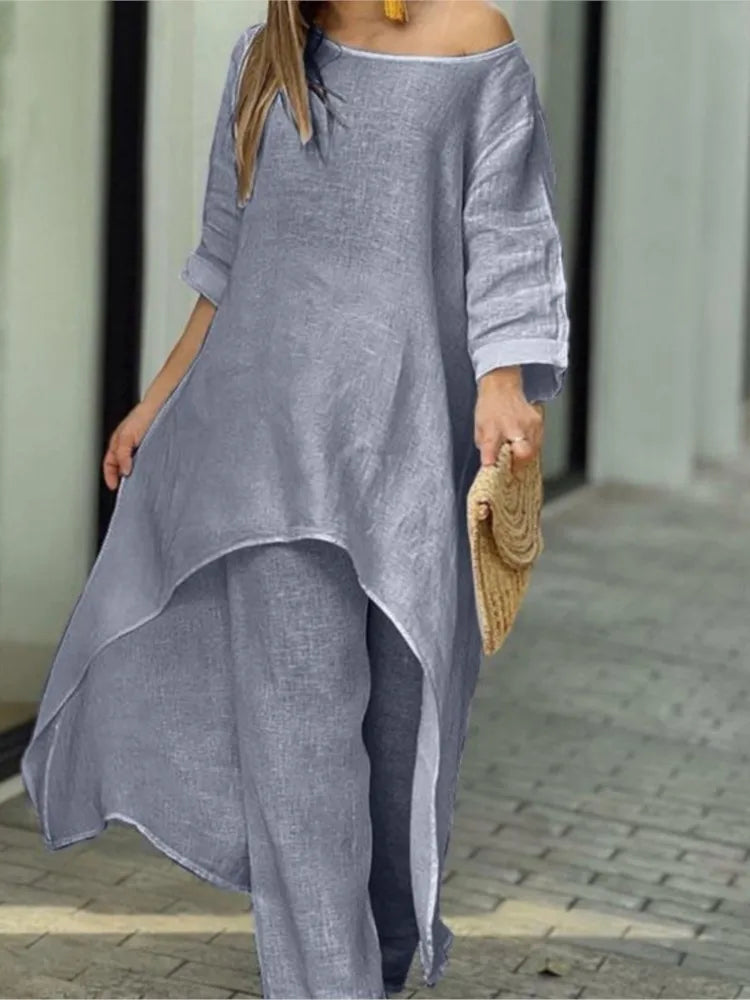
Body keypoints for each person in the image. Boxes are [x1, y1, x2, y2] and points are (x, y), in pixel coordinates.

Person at [21, 1, 570, 997]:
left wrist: (504, 380)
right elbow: (226, 268)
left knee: (400, 748)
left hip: (407, 451)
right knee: (301, 754)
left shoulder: (472, 42)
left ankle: (380, 961)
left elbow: (507, 232)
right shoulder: (266, 60)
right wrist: (158, 398)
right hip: (264, 453)